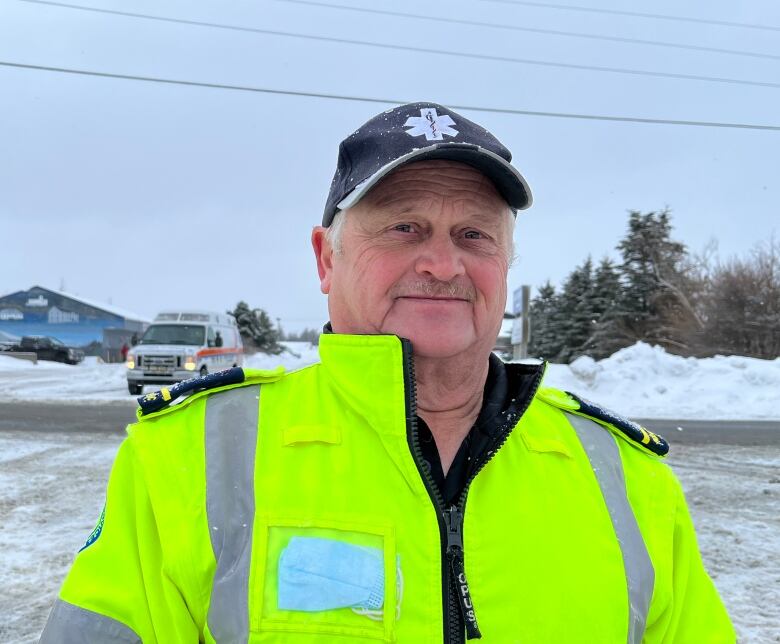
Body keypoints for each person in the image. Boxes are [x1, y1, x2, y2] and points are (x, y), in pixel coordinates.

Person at [40, 102, 734, 643]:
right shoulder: (183, 461)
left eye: (474, 235)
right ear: (325, 259)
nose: (442, 264)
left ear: (506, 262)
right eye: (403, 228)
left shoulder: (632, 485)